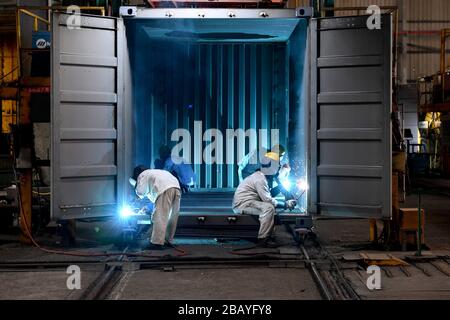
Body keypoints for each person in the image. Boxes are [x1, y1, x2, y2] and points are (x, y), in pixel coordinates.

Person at [232, 163, 297, 248]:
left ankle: (269, 235)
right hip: (243, 204)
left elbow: (267, 194)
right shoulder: (260, 179)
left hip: (250, 201)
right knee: (269, 208)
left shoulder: (261, 176)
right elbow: (268, 200)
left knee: (270, 208)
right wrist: (286, 204)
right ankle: (263, 240)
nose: (277, 172)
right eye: (277, 169)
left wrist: (280, 187)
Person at [129, 166, 181, 250]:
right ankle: (168, 240)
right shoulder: (155, 173)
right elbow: (158, 199)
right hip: (176, 187)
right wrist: (148, 207)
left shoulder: (143, 175)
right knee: (172, 217)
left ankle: (156, 242)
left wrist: (136, 192)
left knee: (159, 217)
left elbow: (140, 192)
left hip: (165, 189)